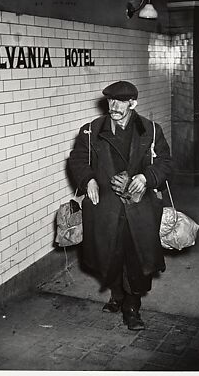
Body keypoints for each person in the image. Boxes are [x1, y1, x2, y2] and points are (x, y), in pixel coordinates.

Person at [68, 80, 174, 330]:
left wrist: (146, 177)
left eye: (120, 101)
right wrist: (88, 180)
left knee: (136, 257)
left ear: (133, 103)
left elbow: (166, 163)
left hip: (139, 208)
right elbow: (77, 160)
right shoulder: (91, 130)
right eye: (110, 101)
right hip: (106, 206)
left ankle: (132, 307)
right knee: (109, 254)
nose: (113, 106)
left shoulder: (152, 130)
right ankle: (117, 294)